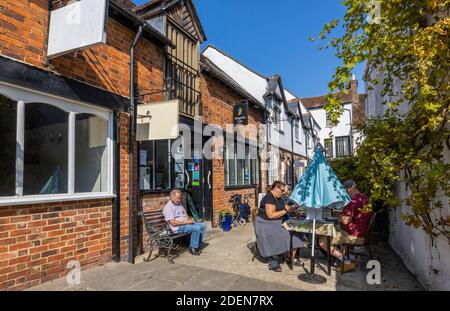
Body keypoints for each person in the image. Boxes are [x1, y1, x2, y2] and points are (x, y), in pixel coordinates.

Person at [319, 180, 374, 272]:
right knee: (331, 232)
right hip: (361, 231)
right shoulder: (364, 198)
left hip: (353, 234)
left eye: (344, 190)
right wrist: (341, 213)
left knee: (323, 241)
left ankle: (348, 262)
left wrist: (337, 215)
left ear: (348, 189)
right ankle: (352, 256)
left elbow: (345, 221)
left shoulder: (354, 201)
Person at [255, 181, 304, 272]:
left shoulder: (279, 198)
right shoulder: (269, 198)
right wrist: (286, 211)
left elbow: (286, 208)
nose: (283, 192)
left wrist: (294, 211)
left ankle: (291, 257)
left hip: (277, 222)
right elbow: (270, 215)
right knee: (283, 234)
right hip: (265, 224)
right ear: (276, 188)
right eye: (282, 190)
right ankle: (274, 261)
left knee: (297, 232)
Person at [163, 189, 207, 256]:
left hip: (185, 223)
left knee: (203, 226)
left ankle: (196, 243)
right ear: (172, 197)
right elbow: (173, 223)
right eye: (178, 198)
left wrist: (188, 219)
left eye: (180, 198)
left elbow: (184, 211)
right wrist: (186, 222)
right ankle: (193, 248)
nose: (179, 200)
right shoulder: (168, 207)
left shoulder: (178, 204)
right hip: (177, 227)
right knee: (196, 228)